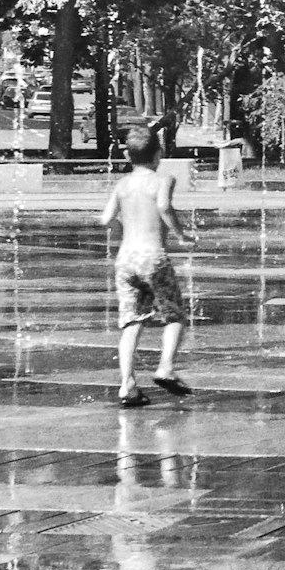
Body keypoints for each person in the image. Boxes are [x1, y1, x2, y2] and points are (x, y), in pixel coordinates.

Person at [100, 125, 199, 408]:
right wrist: (181, 235)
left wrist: (123, 228)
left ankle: (127, 385)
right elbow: (165, 207)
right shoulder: (162, 179)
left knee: (132, 322)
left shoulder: (122, 185)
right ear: (159, 153)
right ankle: (166, 367)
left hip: (126, 259)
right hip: (153, 256)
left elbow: (105, 219)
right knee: (174, 315)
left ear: (129, 156)